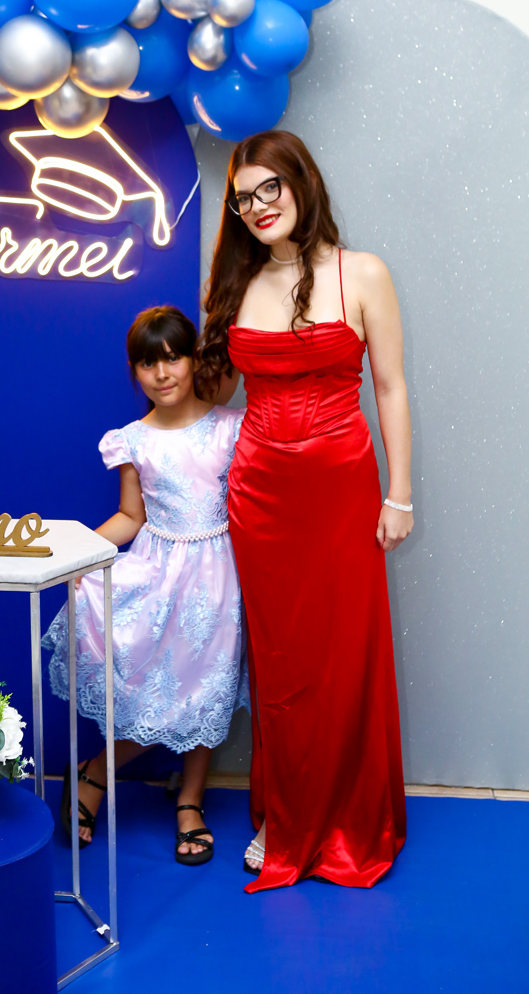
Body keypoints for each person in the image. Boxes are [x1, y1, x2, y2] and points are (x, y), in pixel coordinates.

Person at [199, 130, 411, 890]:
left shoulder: (363, 273)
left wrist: (399, 494)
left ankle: (349, 816)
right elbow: (217, 390)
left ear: (302, 185)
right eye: (243, 198)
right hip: (260, 496)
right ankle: (286, 816)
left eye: (271, 188)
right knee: (281, 661)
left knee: (345, 651)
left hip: (342, 489)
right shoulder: (236, 282)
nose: (259, 206)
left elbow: (390, 387)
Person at [43, 305, 247, 865]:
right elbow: (131, 516)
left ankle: (190, 801)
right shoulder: (132, 439)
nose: (162, 373)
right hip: (160, 576)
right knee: (162, 694)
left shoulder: (230, 426)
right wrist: (79, 552)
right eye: (147, 363)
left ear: (193, 359)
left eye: (173, 358)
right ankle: (95, 771)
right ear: (134, 371)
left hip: (220, 578)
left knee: (209, 692)